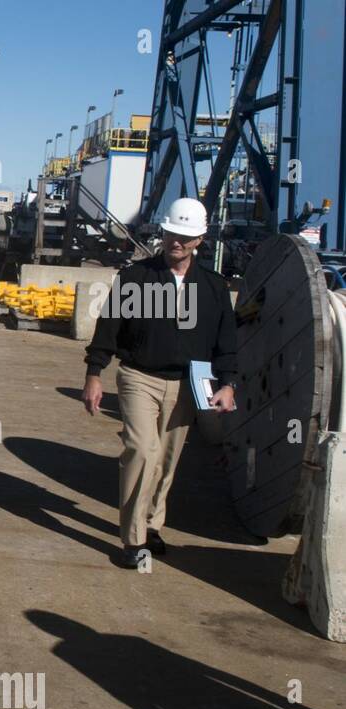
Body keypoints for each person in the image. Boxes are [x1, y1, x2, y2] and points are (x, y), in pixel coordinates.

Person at [82, 197, 238, 569]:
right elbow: (108, 327)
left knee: (167, 461)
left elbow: (226, 343)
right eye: (171, 233)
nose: (176, 242)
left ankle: (151, 523)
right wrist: (94, 373)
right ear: (162, 232)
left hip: (186, 384)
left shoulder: (214, 288)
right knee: (142, 450)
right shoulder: (136, 278)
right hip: (139, 378)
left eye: (185, 236)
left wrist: (228, 383)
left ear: (200, 239)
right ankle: (133, 541)